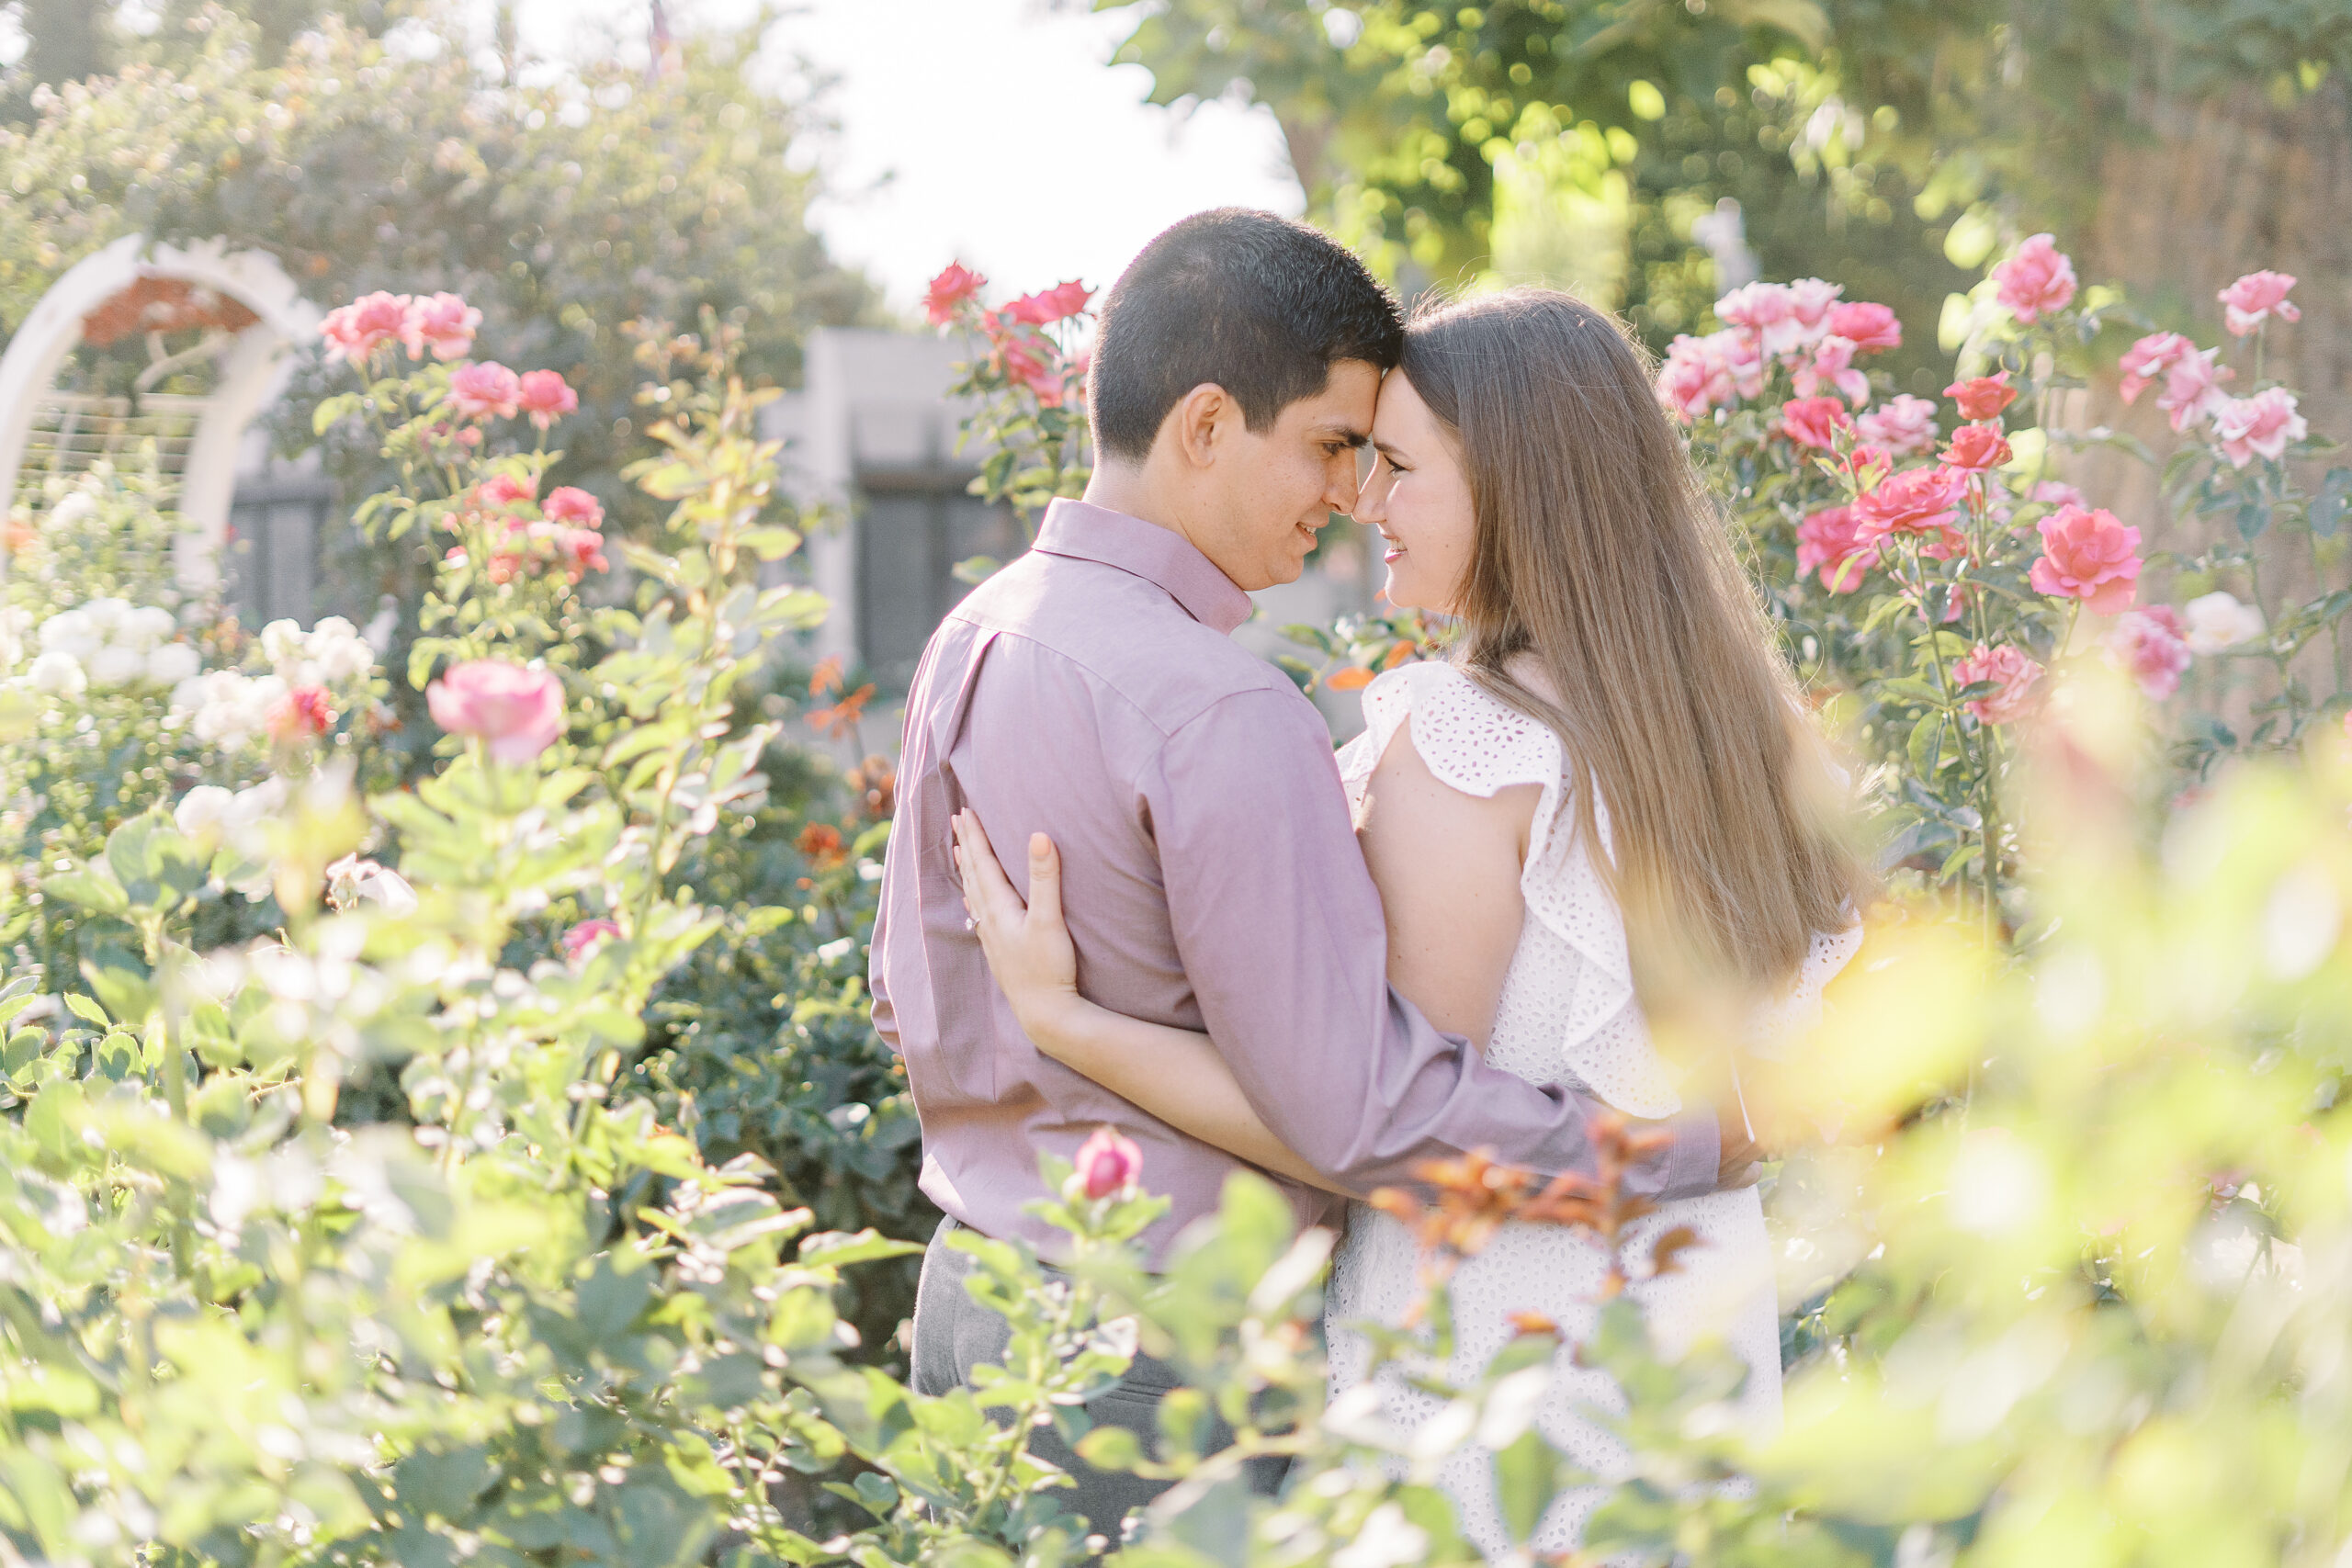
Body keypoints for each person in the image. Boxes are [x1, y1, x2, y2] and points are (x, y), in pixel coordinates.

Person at [868, 212, 1760, 1541]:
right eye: (1336, 447)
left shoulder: (978, 636)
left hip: (970, 1302)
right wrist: (1682, 1148)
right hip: (1156, 1359)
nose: (1348, 496)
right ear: (1209, 424)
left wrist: (1061, 1034)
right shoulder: (1221, 709)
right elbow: (1358, 1114)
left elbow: (911, 1001)